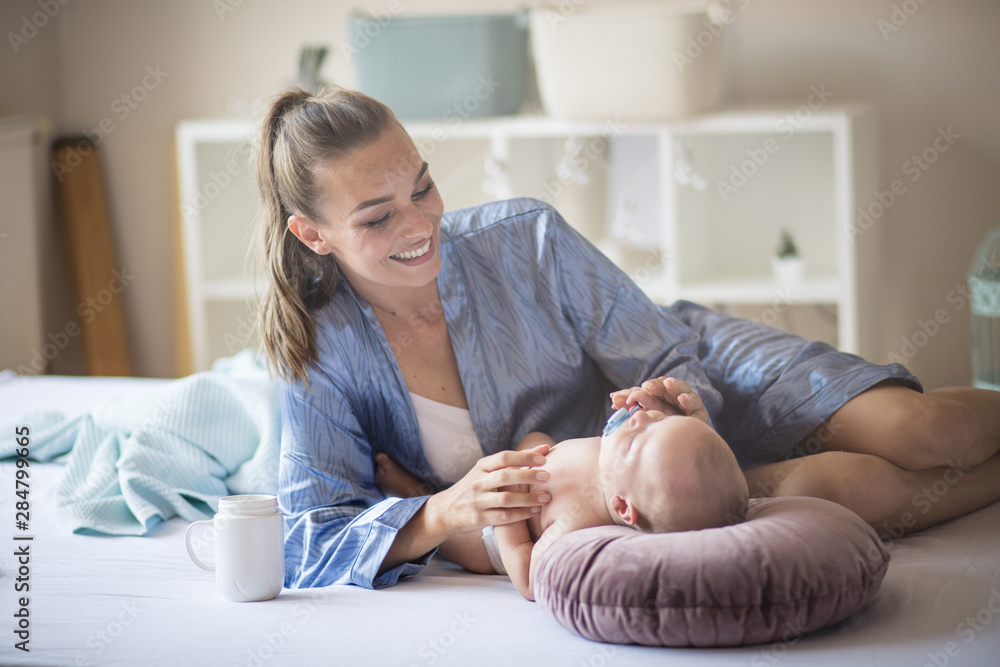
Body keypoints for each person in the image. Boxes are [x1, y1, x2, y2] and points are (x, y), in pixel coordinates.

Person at [254, 85, 1000, 591]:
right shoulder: (321, 353)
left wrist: (680, 399)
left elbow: (667, 352)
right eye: (378, 217)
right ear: (313, 234)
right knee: (823, 490)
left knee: (922, 429)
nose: (421, 225)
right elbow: (309, 537)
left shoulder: (527, 237)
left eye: (422, 186)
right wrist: (442, 511)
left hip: (692, 371)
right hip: (639, 486)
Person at [490, 378, 750, 601]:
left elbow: (529, 581)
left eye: (635, 440)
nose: (640, 418)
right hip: (531, 463)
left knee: (468, 544)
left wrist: (504, 511)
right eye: (659, 420)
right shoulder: (612, 460)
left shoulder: (576, 519)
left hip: (491, 531)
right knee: (535, 436)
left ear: (623, 506)